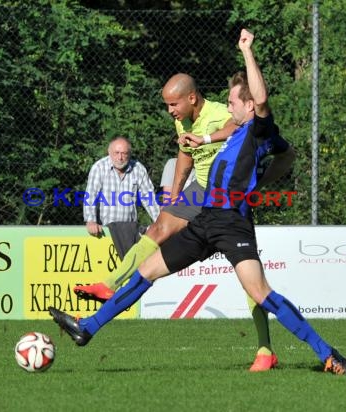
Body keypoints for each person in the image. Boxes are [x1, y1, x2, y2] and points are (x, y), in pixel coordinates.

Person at [51, 29, 346, 375]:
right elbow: (280, 152)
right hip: (206, 221)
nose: (227, 107)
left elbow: (265, 105)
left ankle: (327, 354)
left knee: (260, 293)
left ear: (250, 105)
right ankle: (87, 328)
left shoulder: (258, 130)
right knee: (147, 270)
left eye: (232, 102)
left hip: (232, 224)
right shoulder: (235, 134)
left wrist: (247, 52)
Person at [75, 73, 278, 372]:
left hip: (226, 195)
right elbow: (185, 155)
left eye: (173, 103)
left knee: (249, 278)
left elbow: (242, 125)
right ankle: (109, 284)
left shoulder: (223, 112)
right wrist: (173, 192)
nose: (170, 110)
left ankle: (265, 349)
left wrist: (208, 138)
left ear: (191, 98)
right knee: (159, 227)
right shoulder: (182, 120)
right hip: (199, 191)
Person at [84, 136, 160, 259]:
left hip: (129, 231)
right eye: (116, 153)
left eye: (124, 153)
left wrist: (160, 223)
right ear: (109, 152)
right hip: (104, 230)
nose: (120, 157)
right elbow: (91, 195)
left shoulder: (138, 169)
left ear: (129, 154)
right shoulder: (99, 168)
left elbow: (148, 197)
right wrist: (90, 220)